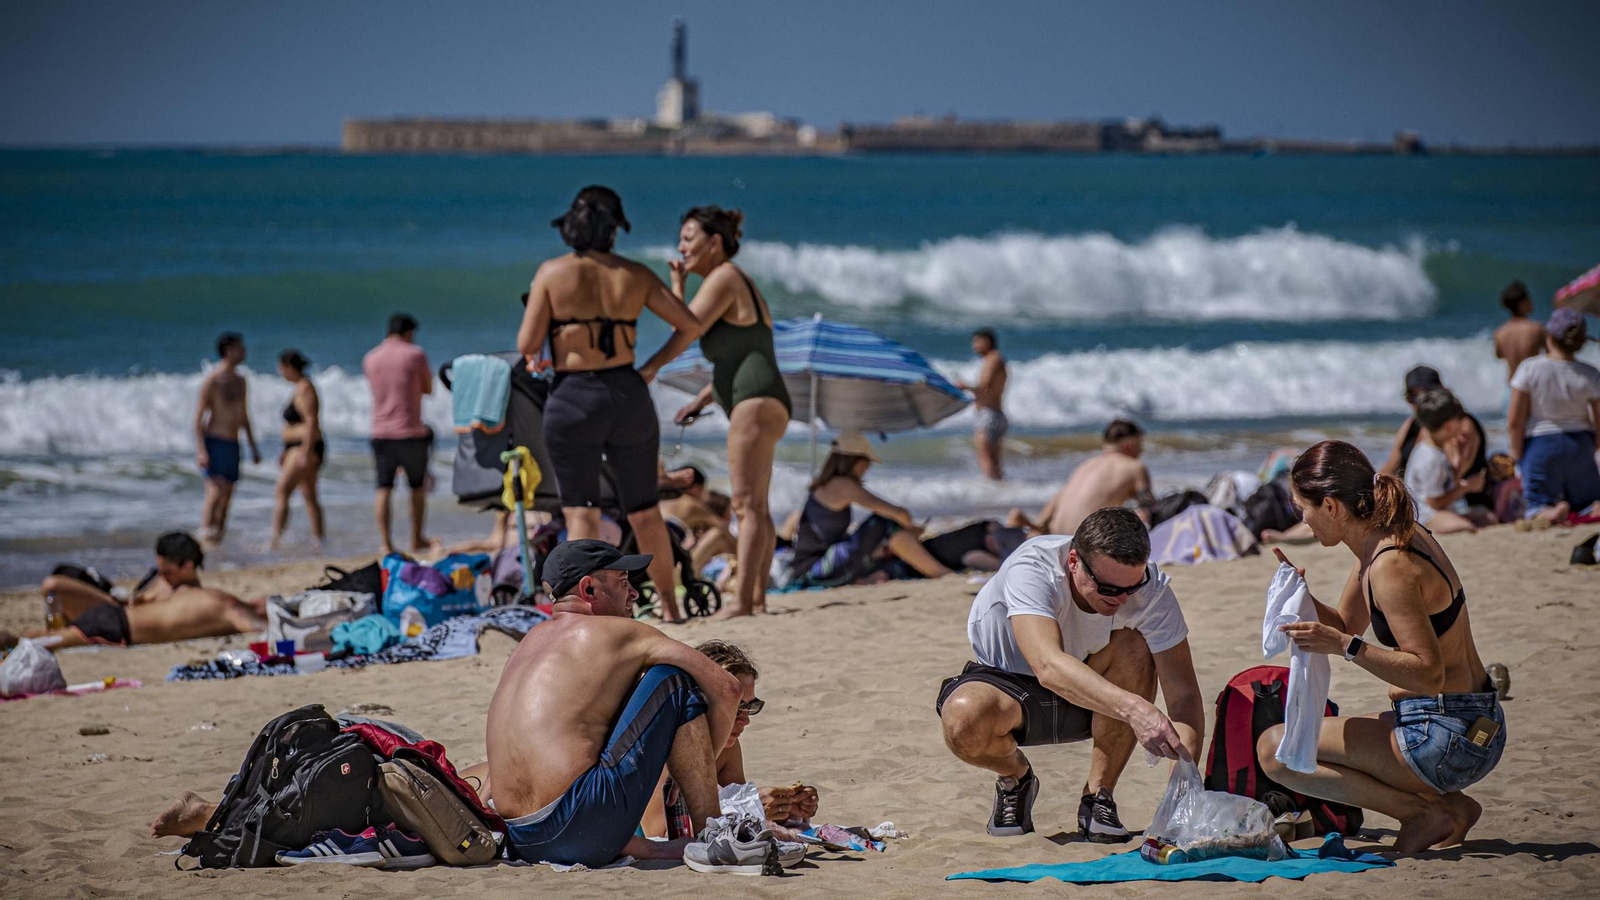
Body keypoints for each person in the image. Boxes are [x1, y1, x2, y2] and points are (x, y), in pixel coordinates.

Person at [1263, 440, 1506, 853]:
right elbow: (1343, 622)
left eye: (1301, 509)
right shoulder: (1383, 540)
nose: (1302, 520)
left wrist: (1345, 647)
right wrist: (1300, 596)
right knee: (1306, 738)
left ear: (1331, 507)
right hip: (1470, 723)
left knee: (1276, 751)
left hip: (1445, 736)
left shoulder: (1389, 564)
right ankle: (1453, 808)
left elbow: (1428, 675)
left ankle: (1421, 814)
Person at [936, 507, 1204, 840]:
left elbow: (1184, 695)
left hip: (1092, 691)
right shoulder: (1034, 568)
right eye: (1107, 589)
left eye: (1131, 588)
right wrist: (1137, 710)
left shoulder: (1151, 588)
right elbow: (1048, 666)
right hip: (1010, 687)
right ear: (1074, 561)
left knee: (1135, 645)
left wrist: (1181, 799)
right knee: (963, 718)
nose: (1121, 600)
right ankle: (1015, 777)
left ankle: (1099, 796)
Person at [482, 539, 744, 868]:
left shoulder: (527, 644)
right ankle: (713, 831)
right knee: (674, 680)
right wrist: (693, 771)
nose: (633, 593)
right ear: (588, 589)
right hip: (578, 824)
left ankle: (638, 842)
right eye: (622, 582)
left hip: (519, 839)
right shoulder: (623, 632)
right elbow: (728, 688)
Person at [518, 186, 701, 622]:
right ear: (616, 228)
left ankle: (588, 614)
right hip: (627, 393)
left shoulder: (552, 272)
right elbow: (689, 325)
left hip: (573, 397)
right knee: (644, 510)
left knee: (581, 511)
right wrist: (652, 366)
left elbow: (526, 343)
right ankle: (671, 607)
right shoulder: (634, 274)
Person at [669, 206, 790, 617]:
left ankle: (741, 600)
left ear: (715, 243)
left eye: (689, 238)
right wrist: (701, 400)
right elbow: (739, 358)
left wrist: (675, 284)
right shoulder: (734, 281)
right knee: (756, 505)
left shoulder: (724, 276)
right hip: (764, 395)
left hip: (754, 399)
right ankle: (755, 598)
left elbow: (684, 325)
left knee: (744, 505)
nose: (681, 246)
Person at [641, 640, 821, 839]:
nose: (746, 720)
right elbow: (661, 834)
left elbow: (732, 807)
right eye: (736, 709)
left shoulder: (728, 747)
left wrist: (783, 810)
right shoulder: (668, 745)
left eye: (751, 707)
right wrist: (751, 807)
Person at [6, 533, 264, 650]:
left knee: (38, 640)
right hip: (114, 622)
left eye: (167, 571)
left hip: (114, 622)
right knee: (38, 640)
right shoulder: (207, 600)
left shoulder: (200, 596)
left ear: (187, 566)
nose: (161, 576)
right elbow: (256, 625)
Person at [780, 431, 952, 589]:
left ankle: (872, 577)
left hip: (808, 569)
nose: (867, 468)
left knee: (884, 550)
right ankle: (940, 573)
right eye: (867, 463)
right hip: (817, 571)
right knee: (883, 523)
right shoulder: (843, 485)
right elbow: (899, 513)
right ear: (856, 461)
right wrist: (913, 529)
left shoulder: (822, 485)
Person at [1508, 307, 1600, 525]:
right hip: (1580, 444)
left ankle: (1550, 512)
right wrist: (1593, 447)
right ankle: (1589, 509)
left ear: (1549, 338)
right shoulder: (1590, 373)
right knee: (1586, 501)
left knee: (1537, 503)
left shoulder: (1530, 368)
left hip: (1542, 444)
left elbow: (1515, 420)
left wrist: (1517, 453)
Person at [363, 313, 436, 556]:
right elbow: (427, 389)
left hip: (381, 431)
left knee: (383, 487)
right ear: (409, 332)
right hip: (410, 431)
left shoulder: (371, 358)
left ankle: (385, 543)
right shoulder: (415, 354)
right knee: (416, 487)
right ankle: (416, 539)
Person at [1378, 365, 1493, 510]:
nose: (1419, 402)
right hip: (1420, 500)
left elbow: (1453, 478)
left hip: (1460, 503)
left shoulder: (1459, 426)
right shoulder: (1411, 425)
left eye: (1425, 394)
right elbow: (1391, 465)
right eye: (1412, 397)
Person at [1015, 419, 1154, 536]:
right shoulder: (1135, 467)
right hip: (1083, 540)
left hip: (1054, 537)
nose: (1141, 451)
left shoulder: (1084, 465)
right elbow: (1149, 509)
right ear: (1128, 445)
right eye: (1140, 445)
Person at [194, 332, 260, 546]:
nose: (244, 352)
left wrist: (253, 446)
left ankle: (218, 539)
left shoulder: (241, 380)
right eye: (240, 348)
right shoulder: (212, 380)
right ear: (228, 350)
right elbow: (198, 418)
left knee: (228, 496)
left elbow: (245, 415)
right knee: (214, 492)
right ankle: (206, 535)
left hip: (233, 442)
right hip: (215, 440)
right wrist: (202, 450)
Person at [1403, 390, 1492, 534]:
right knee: (1465, 527)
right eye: (1460, 421)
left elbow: (1446, 487)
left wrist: (1457, 463)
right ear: (1449, 427)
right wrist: (1466, 487)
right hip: (1425, 514)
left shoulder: (1437, 447)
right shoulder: (1431, 458)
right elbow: (1434, 502)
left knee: (1487, 517)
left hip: (1440, 508)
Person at [270, 349, 325, 551]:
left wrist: (305, 451)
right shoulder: (300, 387)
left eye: (281, 368)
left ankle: (275, 540)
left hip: (304, 447)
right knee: (310, 495)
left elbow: (311, 422)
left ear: (288, 367)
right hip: (298, 447)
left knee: (282, 491)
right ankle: (319, 540)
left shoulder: (304, 387)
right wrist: (286, 448)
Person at [956, 328, 1009, 481]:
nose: (974, 345)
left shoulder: (992, 359)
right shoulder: (996, 359)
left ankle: (992, 493)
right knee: (994, 461)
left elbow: (984, 388)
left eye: (977, 341)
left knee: (985, 458)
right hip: (995, 414)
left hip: (988, 414)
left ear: (986, 341)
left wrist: (965, 387)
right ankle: (999, 492)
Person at [1493, 281, 1546, 382]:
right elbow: (1551, 355)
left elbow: (1499, 356)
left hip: (1511, 385)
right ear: (1522, 303)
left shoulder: (1499, 332)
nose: (1531, 301)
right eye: (1528, 298)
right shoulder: (1537, 329)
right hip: (1531, 385)